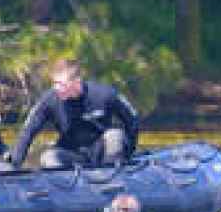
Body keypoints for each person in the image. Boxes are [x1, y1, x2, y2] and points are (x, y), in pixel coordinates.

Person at [10, 59, 139, 170]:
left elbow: (132, 119)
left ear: (77, 82)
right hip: (71, 154)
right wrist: (15, 164)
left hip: (101, 151)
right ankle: (66, 190)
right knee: (48, 157)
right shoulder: (49, 100)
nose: (57, 88)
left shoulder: (104, 94)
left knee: (115, 135)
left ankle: (112, 176)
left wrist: (129, 152)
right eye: (55, 83)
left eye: (61, 84)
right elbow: (28, 132)